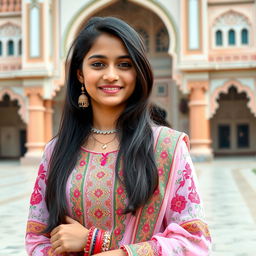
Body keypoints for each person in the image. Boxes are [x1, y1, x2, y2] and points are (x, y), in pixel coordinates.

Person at [25, 17, 211, 256]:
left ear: (138, 71)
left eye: (124, 65)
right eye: (98, 64)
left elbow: (195, 242)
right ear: (80, 74)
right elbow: (36, 239)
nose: (111, 75)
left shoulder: (167, 147)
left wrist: (96, 243)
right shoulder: (56, 151)